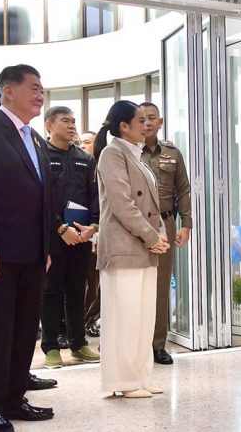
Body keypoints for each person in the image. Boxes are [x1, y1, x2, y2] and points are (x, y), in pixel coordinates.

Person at [0, 64, 55, 431]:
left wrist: (46, 248)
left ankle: (14, 400)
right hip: (0, 255)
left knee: (26, 330)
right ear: (8, 91)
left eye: (43, 89)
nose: (40, 95)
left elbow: (44, 198)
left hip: (33, 254)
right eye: (34, 88)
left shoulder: (35, 139)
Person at [94, 100, 170, 398]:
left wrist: (159, 235)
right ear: (124, 126)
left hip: (145, 247)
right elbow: (122, 204)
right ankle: (124, 382)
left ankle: (140, 375)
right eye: (140, 121)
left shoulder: (135, 154)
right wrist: (152, 236)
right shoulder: (112, 153)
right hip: (123, 247)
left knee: (142, 317)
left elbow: (152, 205)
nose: (146, 125)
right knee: (124, 317)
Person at [40, 106, 100, 369]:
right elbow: (40, 198)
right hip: (53, 236)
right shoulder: (41, 155)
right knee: (51, 292)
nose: (72, 125)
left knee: (77, 291)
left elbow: (94, 195)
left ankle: (78, 344)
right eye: (65, 121)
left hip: (81, 235)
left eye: (73, 121)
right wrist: (60, 229)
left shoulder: (84, 158)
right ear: (49, 125)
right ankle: (51, 347)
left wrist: (93, 226)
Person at [140, 102, 192, 365]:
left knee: (160, 286)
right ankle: (132, 345)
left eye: (152, 118)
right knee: (134, 284)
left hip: (165, 223)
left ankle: (157, 345)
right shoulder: (129, 152)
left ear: (160, 122)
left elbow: (183, 189)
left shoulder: (172, 153)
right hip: (136, 226)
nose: (147, 123)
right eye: (142, 119)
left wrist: (186, 224)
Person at [79, 131, 101, 337]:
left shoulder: (103, 166)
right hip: (79, 232)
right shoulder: (79, 167)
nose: (82, 146)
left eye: (87, 142)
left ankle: (89, 320)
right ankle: (79, 322)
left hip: (98, 231)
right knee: (83, 282)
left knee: (96, 283)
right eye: (81, 142)